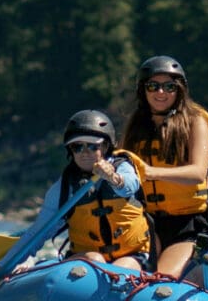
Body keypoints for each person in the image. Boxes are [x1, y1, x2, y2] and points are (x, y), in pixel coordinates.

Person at [119, 54, 208, 279]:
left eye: (169, 87)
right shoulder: (136, 127)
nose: (160, 93)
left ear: (179, 89)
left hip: (188, 224)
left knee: (162, 276)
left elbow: (198, 172)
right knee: (121, 273)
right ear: (143, 90)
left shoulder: (195, 122)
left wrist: (151, 172)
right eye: (153, 86)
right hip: (145, 222)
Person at [53, 107, 149, 268]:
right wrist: (4, 266)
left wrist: (112, 177)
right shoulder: (65, 185)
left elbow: (130, 186)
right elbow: (41, 229)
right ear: (71, 150)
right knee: (94, 260)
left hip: (132, 256)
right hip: (86, 257)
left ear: (105, 147)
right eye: (77, 147)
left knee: (121, 268)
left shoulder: (123, 168)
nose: (84, 153)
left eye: (92, 146)